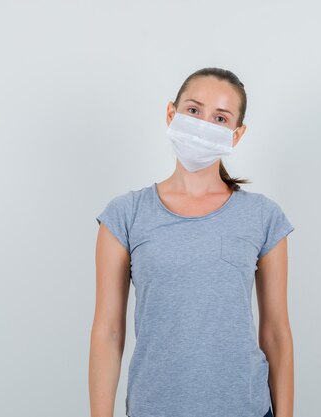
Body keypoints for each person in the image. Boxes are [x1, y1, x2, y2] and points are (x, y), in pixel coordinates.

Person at [89, 67, 295, 417]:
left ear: (236, 134)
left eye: (220, 117)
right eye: (194, 110)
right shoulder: (125, 214)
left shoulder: (263, 217)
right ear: (171, 113)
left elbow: (275, 332)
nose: (203, 125)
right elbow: (108, 332)